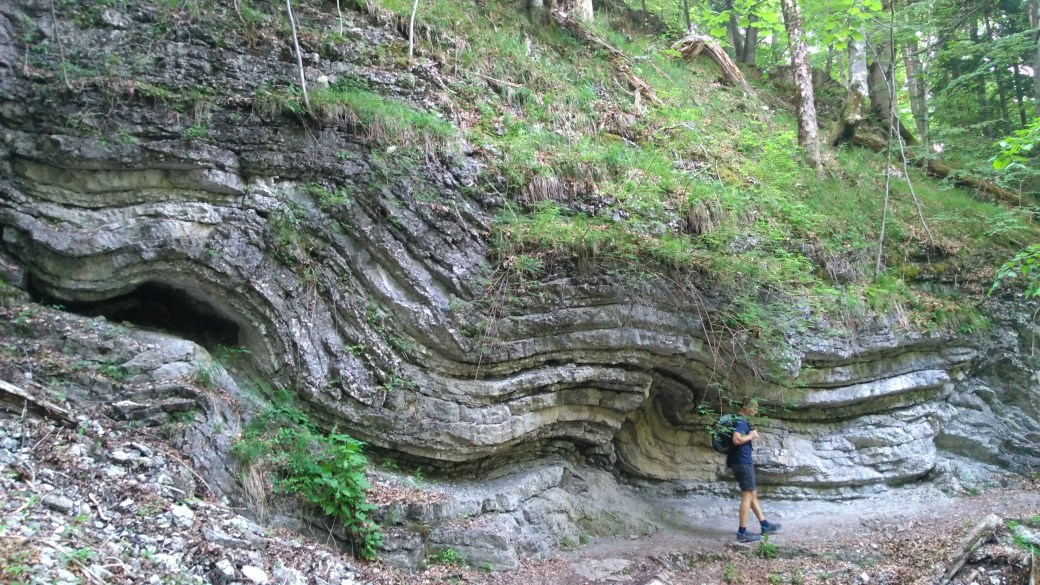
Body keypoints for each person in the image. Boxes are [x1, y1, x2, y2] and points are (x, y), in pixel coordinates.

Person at [727, 398, 781, 543]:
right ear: (746, 406)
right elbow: (736, 440)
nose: (756, 410)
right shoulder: (741, 421)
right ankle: (742, 532)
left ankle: (765, 525)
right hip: (743, 463)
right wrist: (751, 435)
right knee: (747, 495)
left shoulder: (737, 420)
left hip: (739, 462)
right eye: (754, 407)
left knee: (752, 493)